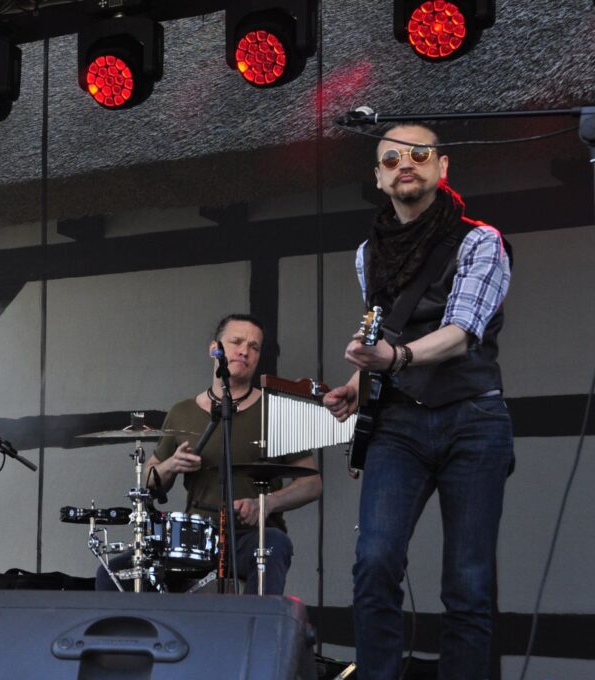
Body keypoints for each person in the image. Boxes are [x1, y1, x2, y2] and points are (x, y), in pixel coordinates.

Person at [323, 123, 513, 680]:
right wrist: (358, 385)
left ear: (442, 166)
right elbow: (387, 328)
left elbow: (462, 331)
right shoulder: (368, 253)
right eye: (391, 158)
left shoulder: (481, 240)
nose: (405, 163)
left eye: (419, 154)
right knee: (374, 561)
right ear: (379, 178)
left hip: (473, 419)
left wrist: (395, 361)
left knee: (469, 581)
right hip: (400, 424)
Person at [96, 314, 322, 594]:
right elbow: (149, 484)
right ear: (214, 348)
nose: (244, 351)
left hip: (251, 537)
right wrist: (171, 465)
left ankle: (255, 633)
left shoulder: (278, 412)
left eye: (254, 347)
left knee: (274, 545)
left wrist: (267, 504)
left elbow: (312, 483)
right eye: (236, 342)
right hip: (193, 539)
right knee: (114, 574)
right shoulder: (183, 412)